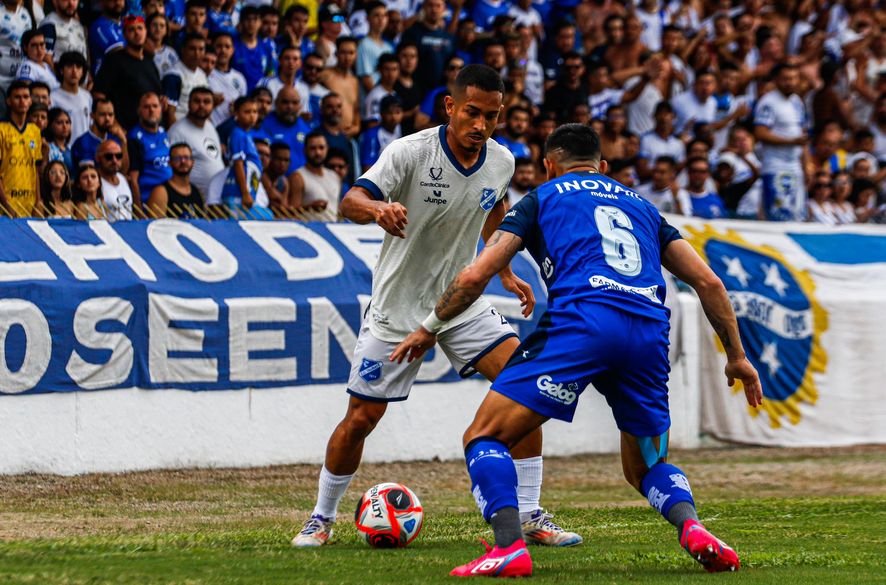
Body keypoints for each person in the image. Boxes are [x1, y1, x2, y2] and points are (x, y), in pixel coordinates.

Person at [390, 123, 763, 577]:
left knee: (484, 437)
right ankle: (692, 528)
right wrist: (737, 355)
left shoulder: (542, 198)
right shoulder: (643, 206)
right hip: (648, 333)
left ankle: (508, 547)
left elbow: (474, 276)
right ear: (603, 167)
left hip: (585, 322)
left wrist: (430, 327)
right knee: (646, 466)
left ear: (548, 166)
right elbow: (709, 282)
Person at [291, 65, 580, 550]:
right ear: (451, 107)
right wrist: (379, 209)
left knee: (527, 389)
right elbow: (350, 200)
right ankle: (321, 518)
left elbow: (492, 206)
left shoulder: (501, 161)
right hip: (398, 307)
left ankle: (530, 513)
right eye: (472, 113)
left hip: (460, 302)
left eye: (491, 116)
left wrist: (503, 269)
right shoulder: (409, 152)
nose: (480, 126)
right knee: (361, 419)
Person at [753, 63, 809, 221]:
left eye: (793, 78)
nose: (790, 82)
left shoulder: (797, 101)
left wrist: (806, 164)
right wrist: (790, 141)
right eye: (785, 79)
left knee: (797, 214)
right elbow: (760, 132)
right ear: (776, 80)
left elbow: (801, 135)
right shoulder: (768, 102)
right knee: (778, 213)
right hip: (775, 166)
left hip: (795, 166)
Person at [94, 14, 163, 131]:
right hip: (125, 130)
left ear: (146, 31)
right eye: (131, 29)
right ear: (124, 34)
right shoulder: (114, 60)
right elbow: (99, 95)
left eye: (140, 28)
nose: (137, 33)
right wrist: (114, 124)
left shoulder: (149, 62)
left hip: (150, 130)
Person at [209, 95, 271, 218]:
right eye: (247, 112)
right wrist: (245, 193)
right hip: (238, 194)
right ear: (236, 113)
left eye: (255, 112)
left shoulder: (246, 134)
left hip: (243, 193)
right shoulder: (238, 134)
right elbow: (238, 163)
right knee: (266, 218)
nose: (252, 116)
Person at [168, 86, 224, 198]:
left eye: (206, 102)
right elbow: (170, 167)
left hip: (215, 199)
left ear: (213, 105)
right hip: (192, 199)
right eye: (197, 101)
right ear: (188, 104)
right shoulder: (177, 131)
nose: (202, 105)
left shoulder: (210, 126)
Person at [0, 81, 42, 216]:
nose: (22, 101)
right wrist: (6, 204)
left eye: (25, 97)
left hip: (29, 204)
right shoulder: (2, 130)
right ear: (8, 101)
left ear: (30, 101)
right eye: (17, 97)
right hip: (6, 204)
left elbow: (35, 170)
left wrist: (38, 201)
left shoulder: (35, 131)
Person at [127, 92, 172, 204]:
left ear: (161, 109)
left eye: (155, 106)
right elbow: (133, 180)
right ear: (139, 111)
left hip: (170, 197)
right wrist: (139, 213)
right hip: (150, 202)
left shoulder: (164, 133)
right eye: (146, 107)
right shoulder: (134, 138)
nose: (151, 110)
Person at [261, 86, 310, 175]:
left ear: (300, 106)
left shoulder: (306, 128)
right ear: (276, 103)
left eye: (294, 103)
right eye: (285, 102)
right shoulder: (263, 125)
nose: (290, 107)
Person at [319, 37, 361, 138]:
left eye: (351, 53)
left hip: (348, 136)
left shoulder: (354, 81)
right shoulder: (326, 75)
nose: (347, 57)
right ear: (336, 54)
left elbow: (355, 109)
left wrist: (356, 127)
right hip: (328, 134)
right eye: (343, 52)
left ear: (356, 55)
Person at [163, 32, 209, 124]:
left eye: (201, 49)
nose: (197, 53)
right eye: (192, 49)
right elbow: (169, 114)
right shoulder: (174, 75)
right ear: (183, 50)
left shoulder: (202, 74)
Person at [288, 131, 340, 213]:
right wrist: (309, 208)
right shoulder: (298, 177)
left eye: (321, 148)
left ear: (327, 149)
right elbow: (291, 213)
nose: (318, 152)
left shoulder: (334, 176)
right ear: (305, 150)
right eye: (313, 148)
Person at [147, 142, 204, 217]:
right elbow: (154, 226)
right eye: (177, 158)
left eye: (186, 157)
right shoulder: (161, 192)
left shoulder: (197, 192)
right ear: (169, 163)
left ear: (192, 162)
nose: (183, 161)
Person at [71, 98, 128, 169]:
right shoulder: (83, 143)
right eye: (102, 114)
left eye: (110, 115)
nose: (107, 118)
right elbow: (89, 175)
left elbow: (124, 170)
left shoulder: (116, 138)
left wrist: (123, 141)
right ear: (92, 116)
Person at [232, 5, 277, 92]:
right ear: (241, 22)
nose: (251, 23)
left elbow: (270, 74)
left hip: (259, 96)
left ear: (260, 23)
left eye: (255, 19)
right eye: (248, 19)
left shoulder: (267, 47)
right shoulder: (232, 44)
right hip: (238, 96)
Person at [50, 51, 91, 142]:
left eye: (78, 67)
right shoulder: (53, 97)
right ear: (61, 70)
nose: (74, 71)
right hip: (64, 150)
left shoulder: (87, 96)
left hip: (84, 151)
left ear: (83, 72)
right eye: (69, 66)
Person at [208, 31, 247, 126]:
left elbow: (244, 106)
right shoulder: (205, 75)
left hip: (233, 128)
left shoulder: (239, 78)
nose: (223, 50)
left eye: (227, 47)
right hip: (210, 127)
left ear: (232, 50)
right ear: (212, 47)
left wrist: (237, 108)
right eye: (219, 46)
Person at [356, 1, 392, 92]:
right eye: (376, 15)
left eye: (384, 15)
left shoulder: (388, 47)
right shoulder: (363, 44)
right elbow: (366, 79)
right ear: (367, 18)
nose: (381, 19)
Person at [359, 94, 402, 169]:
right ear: (382, 114)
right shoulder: (372, 135)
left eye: (397, 112)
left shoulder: (400, 130)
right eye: (389, 113)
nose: (393, 117)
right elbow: (368, 168)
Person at [41, 0, 88, 65]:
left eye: (74, 0)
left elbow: (86, 53)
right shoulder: (49, 25)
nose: (71, 3)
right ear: (55, 1)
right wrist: (58, 75)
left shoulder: (79, 25)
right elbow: (46, 58)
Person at [96, 139, 133, 221]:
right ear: (98, 158)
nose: (114, 160)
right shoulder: (94, 182)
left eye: (118, 156)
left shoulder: (123, 179)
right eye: (109, 157)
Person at [89, 0, 125, 75]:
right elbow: (120, 54)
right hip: (106, 80)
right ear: (101, 3)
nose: (117, 2)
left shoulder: (126, 23)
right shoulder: (99, 26)